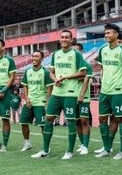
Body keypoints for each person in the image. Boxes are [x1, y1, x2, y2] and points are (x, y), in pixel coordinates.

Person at [32, 30, 86, 159]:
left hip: (70, 93)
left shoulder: (76, 54)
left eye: (67, 37)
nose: (64, 39)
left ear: (71, 40)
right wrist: (55, 79)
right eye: (62, 37)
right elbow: (50, 72)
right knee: (48, 119)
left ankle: (69, 152)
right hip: (57, 93)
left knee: (71, 121)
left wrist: (66, 77)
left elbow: (83, 73)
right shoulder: (56, 54)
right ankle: (45, 150)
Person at [95, 24, 122, 159]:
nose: (106, 35)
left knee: (120, 119)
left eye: (109, 33)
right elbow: (102, 68)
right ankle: (106, 148)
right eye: (105, 33)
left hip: (117, 91)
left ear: (116, 34)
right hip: (105, 91)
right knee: (102, 119)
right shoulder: (103, 50)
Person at [19, 50, 52, 151]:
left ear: (42, 59)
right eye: (33, 56)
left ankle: (47, 146)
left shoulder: (45, 72)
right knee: (23, 123)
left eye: (36, 56)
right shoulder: (28, 71)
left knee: (43, 125)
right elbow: (25, 85)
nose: (34, 58)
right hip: (29, 101)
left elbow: (49, 88)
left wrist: (47, 102)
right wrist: (27, 98)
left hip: (40, 102)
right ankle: (27, 143)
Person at [73, 42, 94, 155]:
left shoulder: (87, 65)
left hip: (84, 98)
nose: (75, 53)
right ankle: (81, 144)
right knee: (76, 122)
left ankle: (86, 146)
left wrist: (81, 94)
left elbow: (88, 80)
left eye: (77, 50)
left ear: (81, 52)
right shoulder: (71, 65)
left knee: (84, 120)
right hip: (71, 97)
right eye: (73, 50)